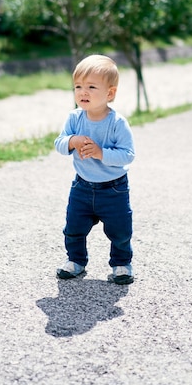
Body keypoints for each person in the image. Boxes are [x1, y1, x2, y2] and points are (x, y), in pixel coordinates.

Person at [54, 54, 135, 285]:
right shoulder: (74, 119)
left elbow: (128, 155)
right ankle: (76, 260)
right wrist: (72, 141)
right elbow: (59, 143)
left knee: (120, 231)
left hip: (114, 190)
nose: (83, 92)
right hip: (82, 186)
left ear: (110, 93)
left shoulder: (117, 123)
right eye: (78, 86)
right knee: (73, 228)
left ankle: (121, 264)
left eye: (91, 87)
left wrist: (101, 153)